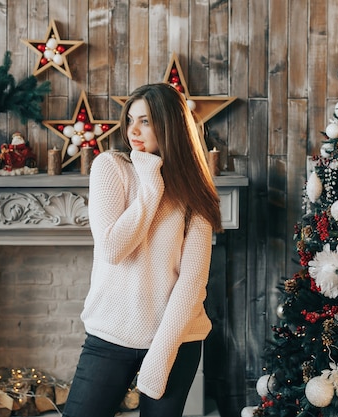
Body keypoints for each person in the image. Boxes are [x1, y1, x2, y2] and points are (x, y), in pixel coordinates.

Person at [62, 83, 223, 417]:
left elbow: (191, 283)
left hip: (176, 339)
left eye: (146, 121)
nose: (133, 130)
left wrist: (161, 356)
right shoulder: (111, 166)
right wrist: (151, 185)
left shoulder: (196, 190)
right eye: (130, 119)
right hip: (110, 334)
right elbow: (113, 249)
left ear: (171, 126)